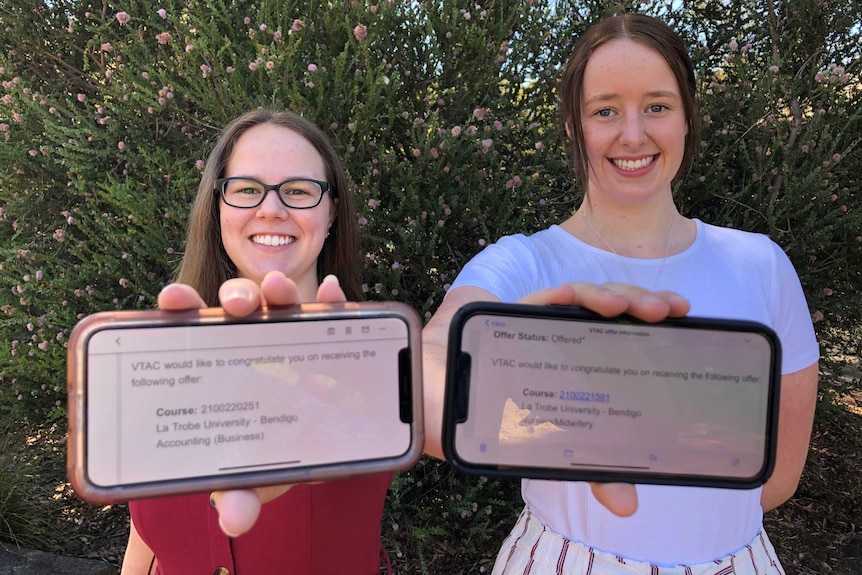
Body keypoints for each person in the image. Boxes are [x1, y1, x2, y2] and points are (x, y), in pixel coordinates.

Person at [421, 12, 819, 575]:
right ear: (572, 126)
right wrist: (481, 364)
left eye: (657, 106)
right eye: (604, 110)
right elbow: (433, 360)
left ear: (686, 119)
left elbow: (777, 477)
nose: (633, 134)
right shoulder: (525, 264)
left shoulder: (763, 267)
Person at [121, 109, 392, 574]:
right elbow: (144, 547)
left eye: (299, 191)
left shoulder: (374, 364)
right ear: (219, 207)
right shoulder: (162, 360)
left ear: (332, 213)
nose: (271, 209)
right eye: (247, 189)